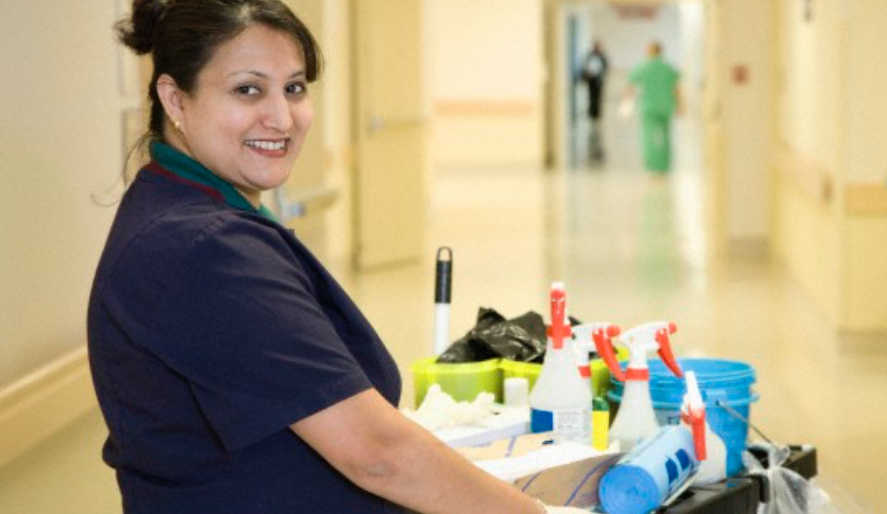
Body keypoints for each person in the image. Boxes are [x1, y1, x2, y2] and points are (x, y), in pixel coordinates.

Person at [87, 1, 590, 513]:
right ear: (175, 98)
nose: (282, 117)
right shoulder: (202, 249)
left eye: (295, 87)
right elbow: (378, 455)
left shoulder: (179, 207)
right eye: (247, 89)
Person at [626, 41, 682, 173]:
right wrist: (680, 106)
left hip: (648, 106)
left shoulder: (643, 67)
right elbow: (676, 89)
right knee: (665, 135)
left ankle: (652, 164)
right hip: (666, 106)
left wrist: (627, 105)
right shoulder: (668, 68)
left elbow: (630, 87)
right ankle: (664, 164)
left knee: (648, 136)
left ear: (649, 51)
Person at [580, 41, 609, 163]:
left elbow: (605, 68)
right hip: (591, 82)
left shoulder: (601, 57)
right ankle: (592, 113)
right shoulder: (589, 56)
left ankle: (596, 113)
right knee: (592, 99)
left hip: (598, 82)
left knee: (597, 99)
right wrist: (588, 75)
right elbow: (585, 69)